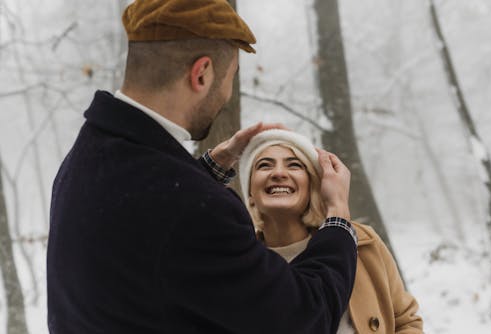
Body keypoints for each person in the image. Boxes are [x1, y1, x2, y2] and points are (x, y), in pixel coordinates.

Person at [47, 1, 358, 333]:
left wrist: (212, 165)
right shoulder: (198, 211)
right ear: (201, 73)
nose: (226, 95)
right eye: (230, 79)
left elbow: (148, 214)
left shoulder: (88, 154)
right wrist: (337, 215)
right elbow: (304, 316)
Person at [239, 129, 424, 334]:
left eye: (294, 165)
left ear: (313, 186)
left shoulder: (363, 243)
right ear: (250, 193)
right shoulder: (239, 264)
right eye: (264, 165)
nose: (279, 173)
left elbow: (406, 322)